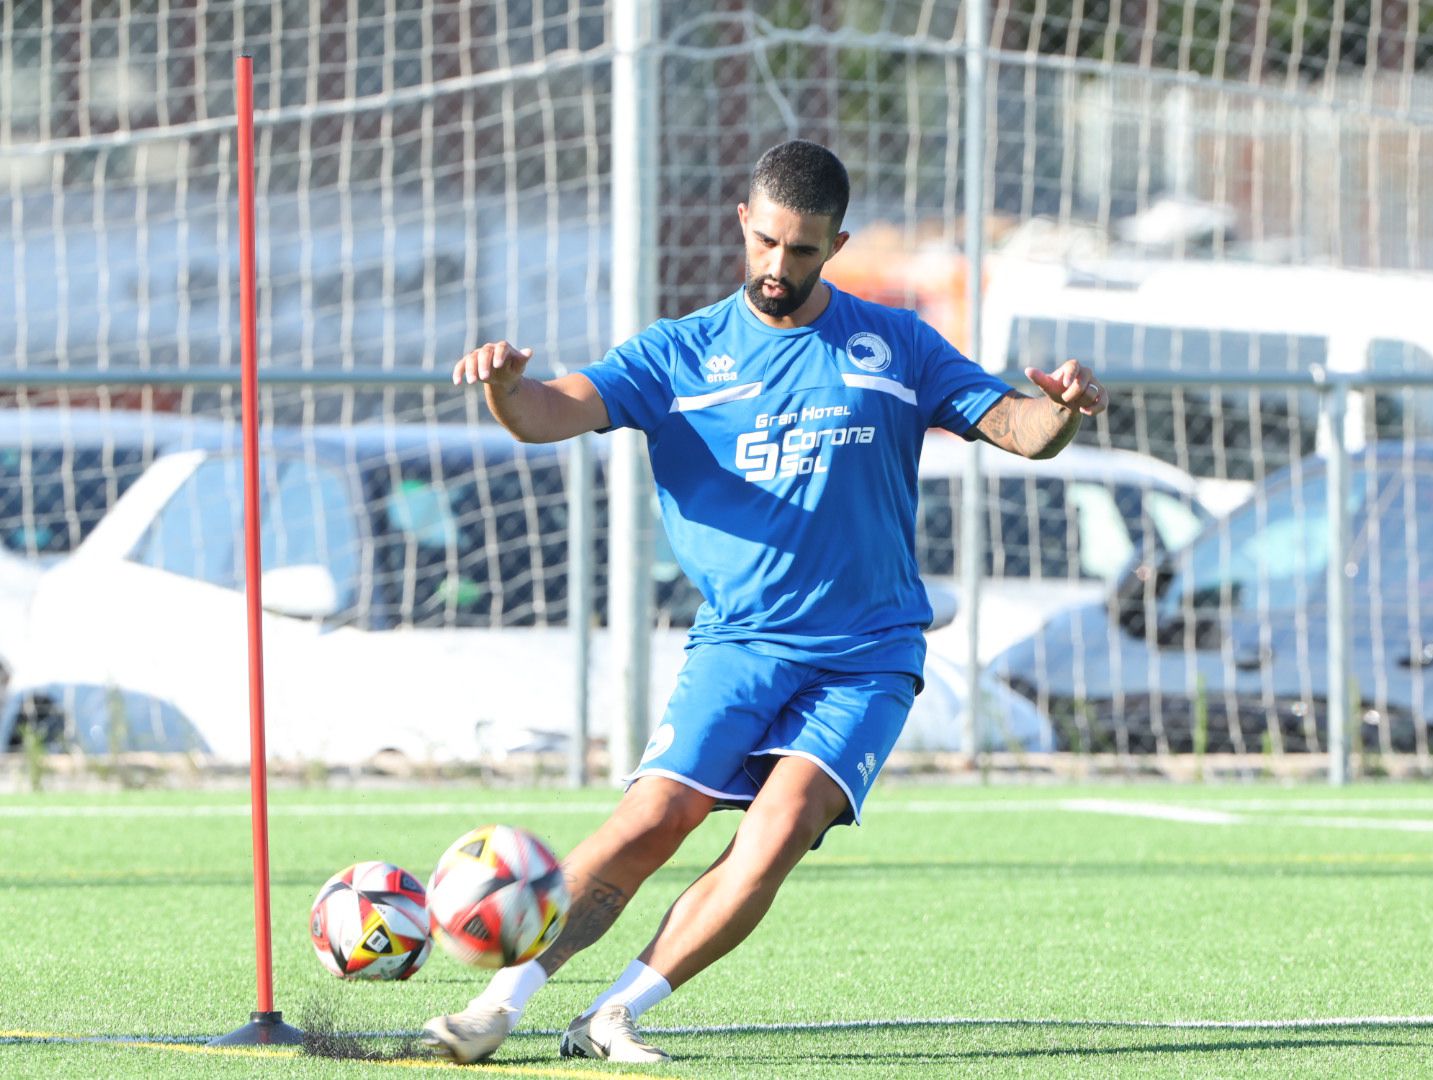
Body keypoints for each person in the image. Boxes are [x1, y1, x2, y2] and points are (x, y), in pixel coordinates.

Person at [422, 139, 1108, 1065]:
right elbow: (555, 411)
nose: (779, 268)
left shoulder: (895, 343)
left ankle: (614, 1015)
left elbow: (1017, 428)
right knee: (652, 820)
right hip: (740, 645)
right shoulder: (680, 352)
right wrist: (507, 390)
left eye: (804, 250)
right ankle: (499, 1007)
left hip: (868, 654)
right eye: (769, 243)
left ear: (837, 244)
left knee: (779, 830)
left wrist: (1059, 409)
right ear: (744, 223)